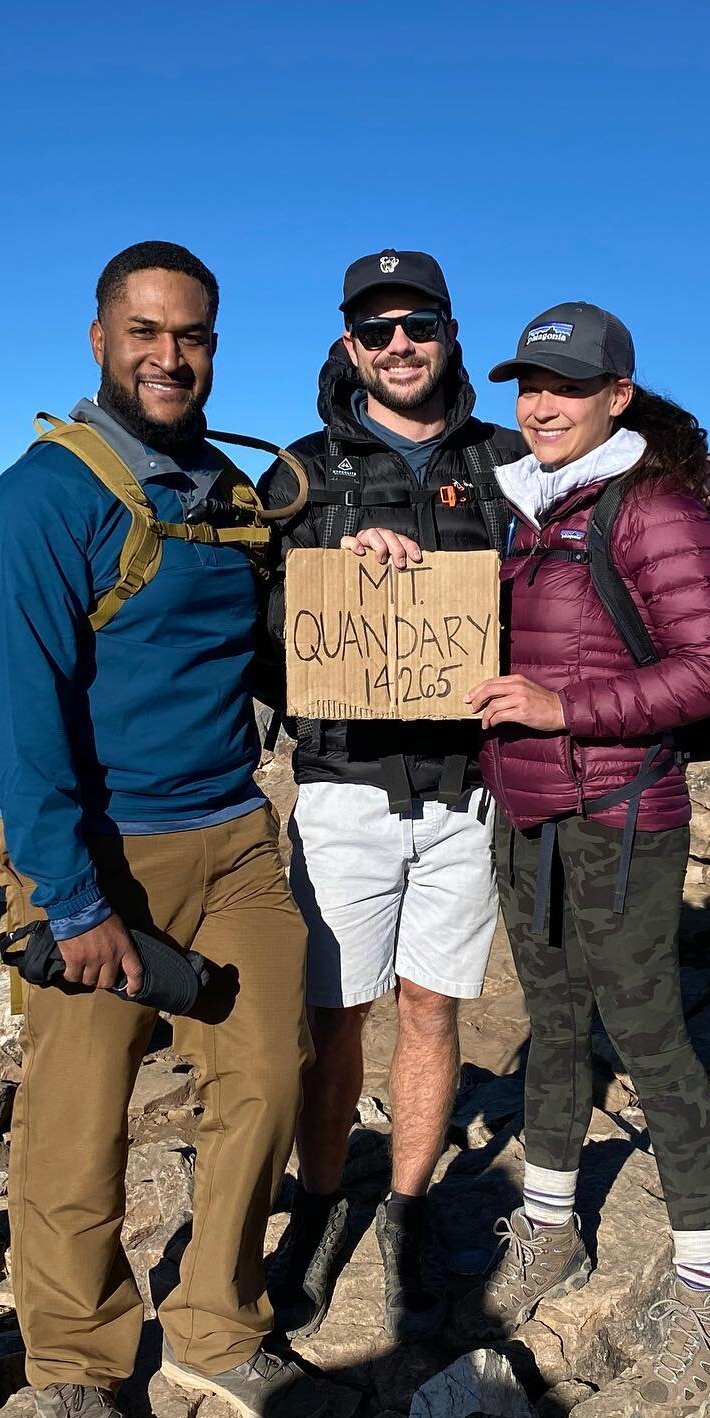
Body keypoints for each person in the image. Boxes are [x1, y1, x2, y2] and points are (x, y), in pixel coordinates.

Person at [0, 241, 323, 1418]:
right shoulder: (39, 501)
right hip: (100, 851)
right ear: (99, 339)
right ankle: (73, 1360)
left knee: (270, 1078)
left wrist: (357, 582)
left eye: (194, 336)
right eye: (146, 332)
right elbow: (23, 722)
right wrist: (70, 901)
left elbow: (274, 653)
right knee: (80, 1113)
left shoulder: (228, 491)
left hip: (233, 839)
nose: (171, 357)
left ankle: (217, 1326)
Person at [458, 303, 710, 1418]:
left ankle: (705, 1285)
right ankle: (546, 1220)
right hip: (527, 814)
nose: (539, 404)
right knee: (551, 1016)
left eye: (565, 386)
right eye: (528, 383)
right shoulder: (528, 507)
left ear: (617, 396)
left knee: (649, 1034)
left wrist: (562, 707)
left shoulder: (652, 507)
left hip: (624, 817)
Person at [259, 249, 529, 1343]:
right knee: (335, 1020)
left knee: (433, 1005)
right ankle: (322, 1206)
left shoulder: (512, 462)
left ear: (452, 330)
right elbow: (254, 612)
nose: (400, 345)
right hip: (343, 786)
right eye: (377, 331)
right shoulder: (300, 470)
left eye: (418, 324)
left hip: (468, 788)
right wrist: (324, 556)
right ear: (347, 346)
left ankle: (408, 1208)